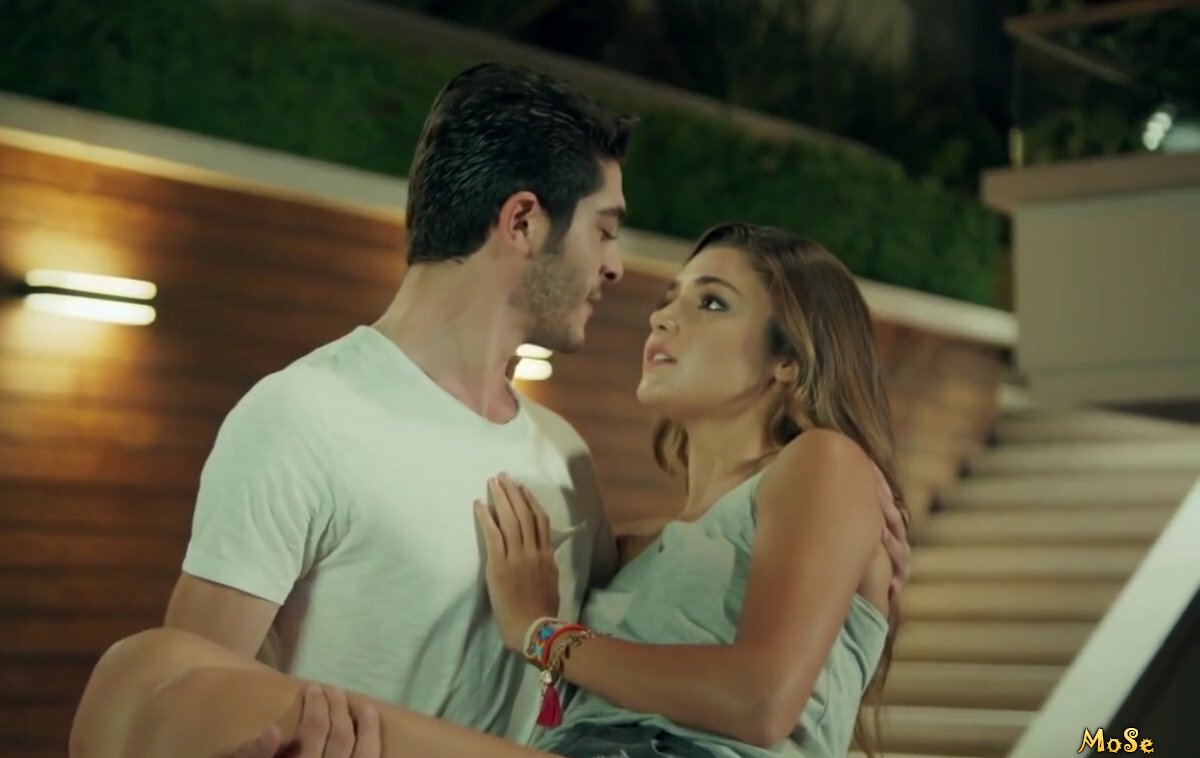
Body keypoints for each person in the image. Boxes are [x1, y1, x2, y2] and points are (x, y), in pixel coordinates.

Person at [70, 222, 910, 758]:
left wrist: (541, 633)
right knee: (144, 671)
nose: (663, 317)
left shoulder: (825, 464)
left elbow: (760, 701)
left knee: (168, 691)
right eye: (670, 298)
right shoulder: (650, 543)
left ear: (790, 359)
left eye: (712, 303)